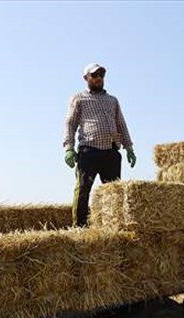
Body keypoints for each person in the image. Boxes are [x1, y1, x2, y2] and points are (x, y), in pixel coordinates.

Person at [63, 63, 136, 227]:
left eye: (101, 75)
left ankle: (114, 225)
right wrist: (69, 148)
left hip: (110, 152)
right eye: (94, 75)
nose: (98, 79)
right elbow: (70, 123)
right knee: (83, 189)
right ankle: (79, 226)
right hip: (89, 151)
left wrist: (129, 147)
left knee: (113, 192)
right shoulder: (79, 98)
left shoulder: (112, 100)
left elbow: (121, 124)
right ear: (86, 78)